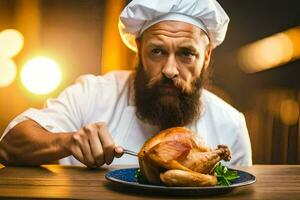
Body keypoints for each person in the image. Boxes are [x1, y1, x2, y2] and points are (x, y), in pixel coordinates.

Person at [0, 0, 252, 167]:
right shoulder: (93, 93)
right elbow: (9, 144)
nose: (170, 70)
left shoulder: (231, 125)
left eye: (186, 53)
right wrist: (68, 141)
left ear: (206, 56)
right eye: (157, 52)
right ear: (139, 50)